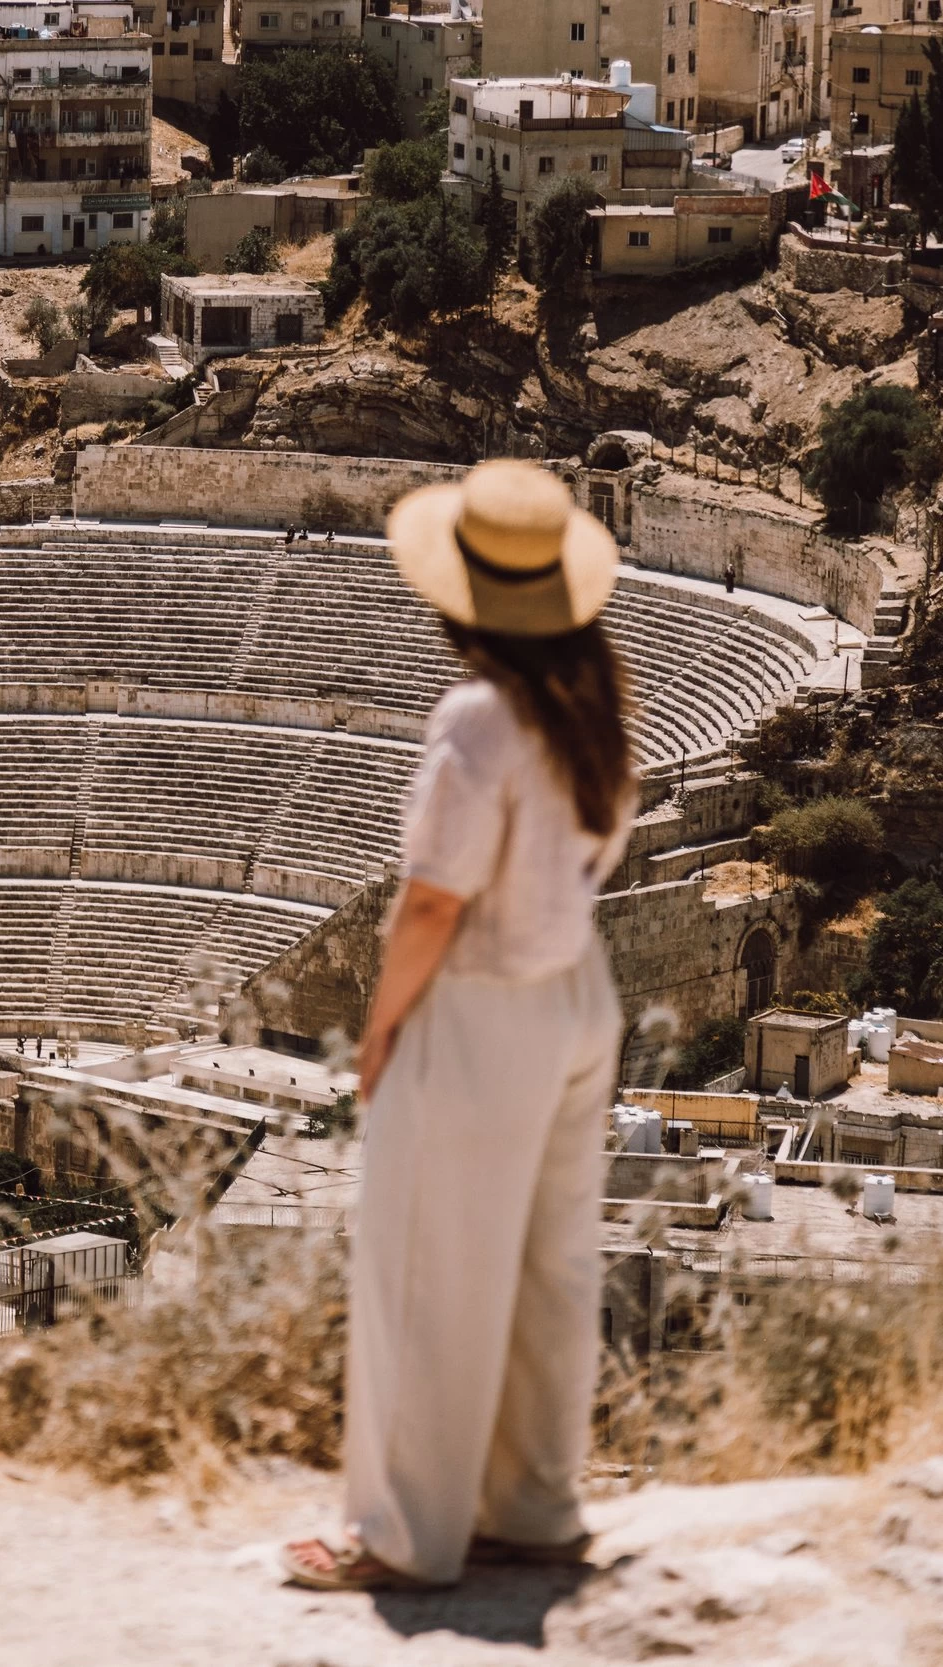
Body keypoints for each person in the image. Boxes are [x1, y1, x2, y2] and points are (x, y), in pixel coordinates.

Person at [283, 458, 637, 1593]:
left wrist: (382, 1033)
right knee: (546, 1261)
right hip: (576, 995)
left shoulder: (481, 716)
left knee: (427, 1263)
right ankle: (531, 1504)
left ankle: (399, 1531)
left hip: (482, 1004)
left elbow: (433, 897)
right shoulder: (599, 701)